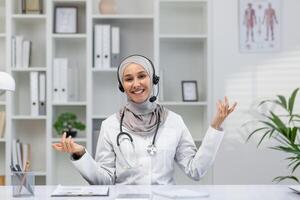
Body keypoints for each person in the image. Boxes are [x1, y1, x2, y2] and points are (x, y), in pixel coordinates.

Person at [52, 55, 237, 185]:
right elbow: (104, 179)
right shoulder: (110, 125)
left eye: (142, 76)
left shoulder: (174, 121)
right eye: (128, 79)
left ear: (153, 79)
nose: (136, 84)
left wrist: (215, 126)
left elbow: (195, 171)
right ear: (122, 86)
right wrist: (80, 154)